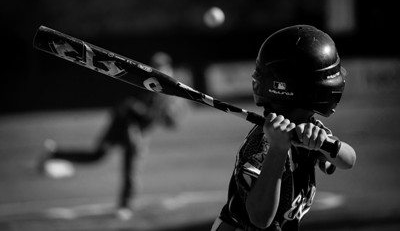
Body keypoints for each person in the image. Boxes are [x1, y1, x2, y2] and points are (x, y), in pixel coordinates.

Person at [211, 25, 356, 231]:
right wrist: (278, 150)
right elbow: (260, 218)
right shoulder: (260, 145)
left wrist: (324, 143)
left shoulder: (310, 128)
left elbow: (348, 160)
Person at [38, 52, 186, 220]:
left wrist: (169, 116)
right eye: (158, 67)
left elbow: (173, 123)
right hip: (121, 124)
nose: (161, 70)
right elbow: (127, 107)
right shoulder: (143, 82)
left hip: (139, 130)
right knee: (97, 155)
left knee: (132, 165)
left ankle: (125, 205)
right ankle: (55, 153)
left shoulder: (171, 92)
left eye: (164, 67)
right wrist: (136, 129)